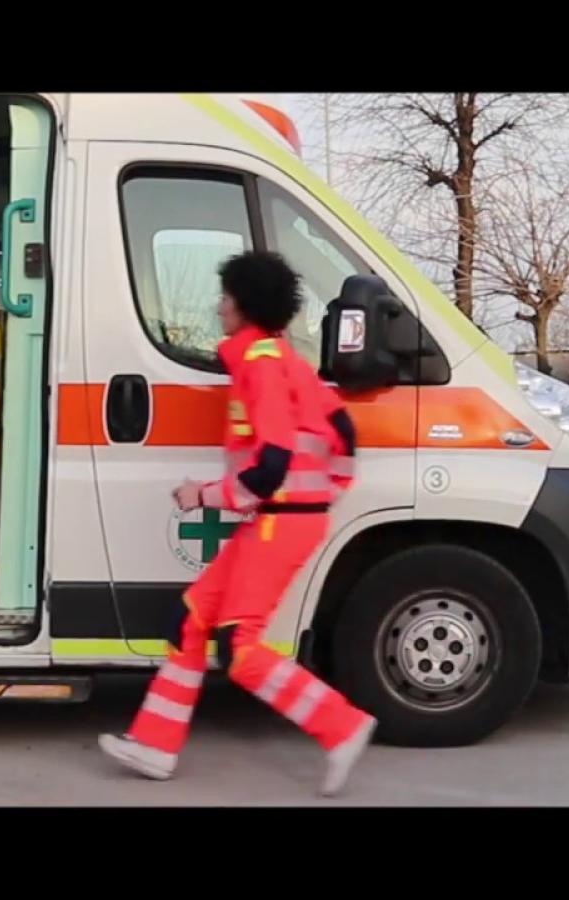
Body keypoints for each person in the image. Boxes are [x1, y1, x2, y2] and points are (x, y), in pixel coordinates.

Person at [98, 250, 376, 798]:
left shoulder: (260, 365)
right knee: (192, 620)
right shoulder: (285, 358)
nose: (219, 306)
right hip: (282, 518)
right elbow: (343, 431)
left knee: (240, 650)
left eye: (225, 296)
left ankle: (341, 726)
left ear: (245, 304)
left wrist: (203, 496)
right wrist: (327, 491)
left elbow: (271, 463)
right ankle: (154, 745)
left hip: (279, 521)